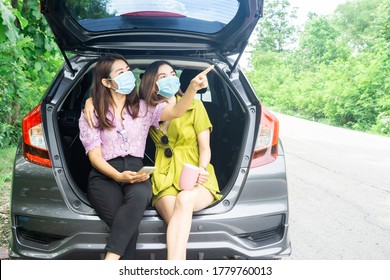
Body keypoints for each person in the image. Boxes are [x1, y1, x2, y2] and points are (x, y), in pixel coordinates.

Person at [79, 54, 212, 260]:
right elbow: (94, 156)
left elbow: (177, 110)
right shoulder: (92, 111)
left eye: (128, 71)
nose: (128, 76)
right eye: (120, 72)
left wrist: (192, 88)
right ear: (106, 82)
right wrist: (117, 176)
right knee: (128, 228)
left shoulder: (144, 108)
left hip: (137, 170)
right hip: (105, 173)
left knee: (140, 196)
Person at [139, 61, 222, 259]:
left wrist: (202, 170)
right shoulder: (147, 110)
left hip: (196, 174)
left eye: (173, 74)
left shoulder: (196, 105)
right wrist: (90, 103)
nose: (170, 79)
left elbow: (205, 148)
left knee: (185, 200)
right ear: (152, 83)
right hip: (164, 177)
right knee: (178, 227)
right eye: (162, 77)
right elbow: (116, 106)